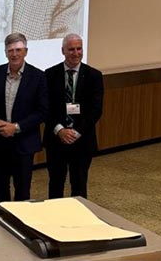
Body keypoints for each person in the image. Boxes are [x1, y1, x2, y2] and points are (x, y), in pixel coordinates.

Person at [0, 33, 48, 202]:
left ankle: (19, 219)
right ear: (5, 52)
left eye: (18, 50)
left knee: (23, 191)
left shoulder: (38, 77)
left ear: (26, 51)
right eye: (10, 50)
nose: (14, 54)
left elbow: (42, 111)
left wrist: (16, 127)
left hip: (24, 142)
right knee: (1, 188)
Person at [44, 34, 104, 199]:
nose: (76, 53)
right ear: (63, 51)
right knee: (56, 184)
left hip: (82, 140)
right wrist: (60, 130)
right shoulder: (49, 74)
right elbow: (45, 108)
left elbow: (96, 109)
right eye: (71, 49)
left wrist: (76, 132)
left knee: (79, 185)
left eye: (79, 49)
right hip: (56, 139)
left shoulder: (94, 75)